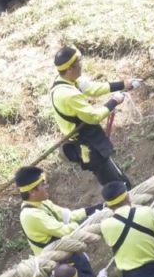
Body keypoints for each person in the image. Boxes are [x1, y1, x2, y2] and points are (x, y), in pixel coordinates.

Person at [50, 46, 137, 188]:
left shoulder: (66, 80)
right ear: (70, 69)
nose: (82, 65)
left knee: (116, 177)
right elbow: (93, 116)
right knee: (116, 184)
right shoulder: (68, 94)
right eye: (79, 62)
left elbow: (92, 88)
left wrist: (122, 84)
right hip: (87, 145)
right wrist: (114, 101)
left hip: (87, 140)